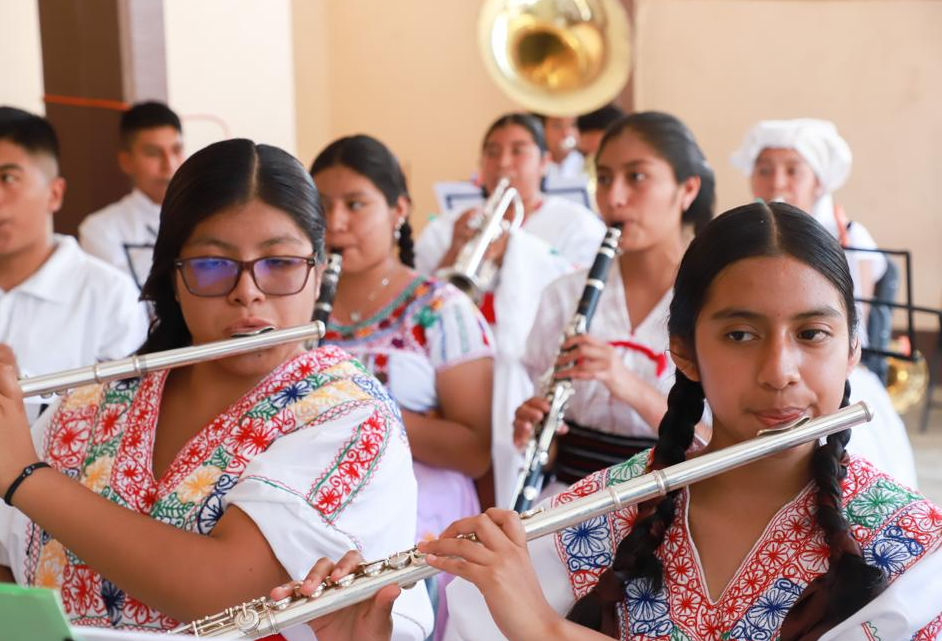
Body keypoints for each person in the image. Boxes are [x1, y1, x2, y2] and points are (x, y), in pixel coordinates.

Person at [287, 202, 942, 641]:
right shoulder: (585, 523)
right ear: (682, 350)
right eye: (740, 334)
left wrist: (544, 630)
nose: (780, 370)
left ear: (853, 349)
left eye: (813, 334)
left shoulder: (916, 550)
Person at [0, 139, 432, 639]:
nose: (247, 292)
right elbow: (14, 597)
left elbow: (232, 591)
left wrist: (24, 476)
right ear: (175, 280)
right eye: (213, 265)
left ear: (318, 275)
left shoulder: (348, 414)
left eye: (280, 264)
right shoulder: (91, 406)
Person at [0, 107, 148, 523]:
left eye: (7, 177)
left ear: (54, 194)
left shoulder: (109, 293)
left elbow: (129, 422)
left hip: (66, 520)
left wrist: (25, 389)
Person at [310, 134, 493, 637]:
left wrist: (365, 415)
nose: (336, 222)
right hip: (316, 498)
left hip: (420, 503)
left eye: (355, 204)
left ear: (399, 210)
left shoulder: (441, 309)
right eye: (323, 206)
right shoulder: (297, 307)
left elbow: (474, 450)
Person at [500, 112, 714, 505]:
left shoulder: (717, 300)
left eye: (636, 177)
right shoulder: (564, 295)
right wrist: (538, 438)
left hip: (679, 503)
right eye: (604, 178)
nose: (614, 198)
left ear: (687, 189)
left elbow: (720, 446)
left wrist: (624, 382)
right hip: (567, 503)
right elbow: (552, 454)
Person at [731, 118, 917, 488]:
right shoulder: (740, 236)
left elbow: (854, 327)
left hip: (836, 367)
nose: (776, 182)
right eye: (764, 170)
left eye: (792, 171)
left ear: (819, 180)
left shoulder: (849, 236)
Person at [415, 112, 606, 272]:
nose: (503, 163)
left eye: (517, 151)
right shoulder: (445, 227)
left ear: (544, 163)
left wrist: (516, 253)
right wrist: (455, 250)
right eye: (492, 153)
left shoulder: (579, 224)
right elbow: (418, 302)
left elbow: (579, 289)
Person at [79, 101, 185, 288]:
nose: (169, 165)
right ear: (126, 161)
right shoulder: (101, 229)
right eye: (154, 153)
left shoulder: (209, 217)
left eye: (176, 150)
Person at [534, 113, 585, 182]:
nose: (566, 133)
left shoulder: (582, 163)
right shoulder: (534, 164)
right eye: (557, 126)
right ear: (542, 129)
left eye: (572, 125)